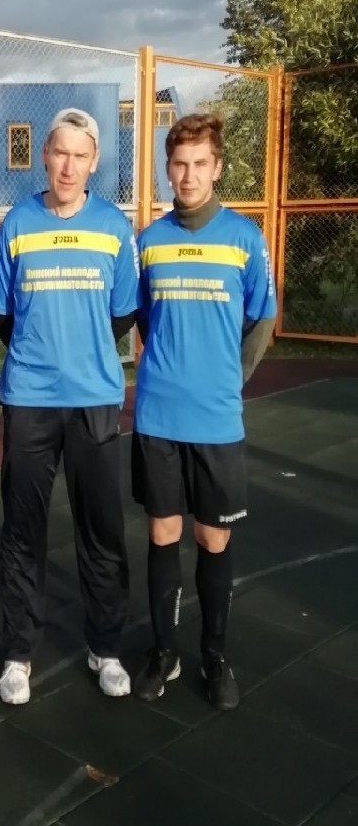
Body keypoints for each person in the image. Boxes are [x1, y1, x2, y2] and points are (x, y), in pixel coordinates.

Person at [0, 108, 138, 705]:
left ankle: (106, 647)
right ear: (44, 156)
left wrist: (82, 352)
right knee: (23, 531)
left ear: (94, 161)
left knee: (101, 529)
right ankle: (19, 654)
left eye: (80, 155)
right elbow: (0, 311)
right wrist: (40, 350)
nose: (68, 167)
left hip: (95, 399)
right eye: (59, 153)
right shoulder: (18, 223)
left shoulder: (114, 228)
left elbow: (122, 312)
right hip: (29, 399)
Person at [132, 111, 276, 710]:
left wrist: (228, 379)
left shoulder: (244, 238)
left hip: (216, 420)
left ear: (217, 168)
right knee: (163, 533)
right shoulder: (149, 242)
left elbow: (262, 317)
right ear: (167, 169)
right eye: (178, 164)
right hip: (158, 417)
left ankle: (214, 656)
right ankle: (163, 652)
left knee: (212, 538)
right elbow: (143, 316)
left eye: (199, 164)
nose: (188, 175)